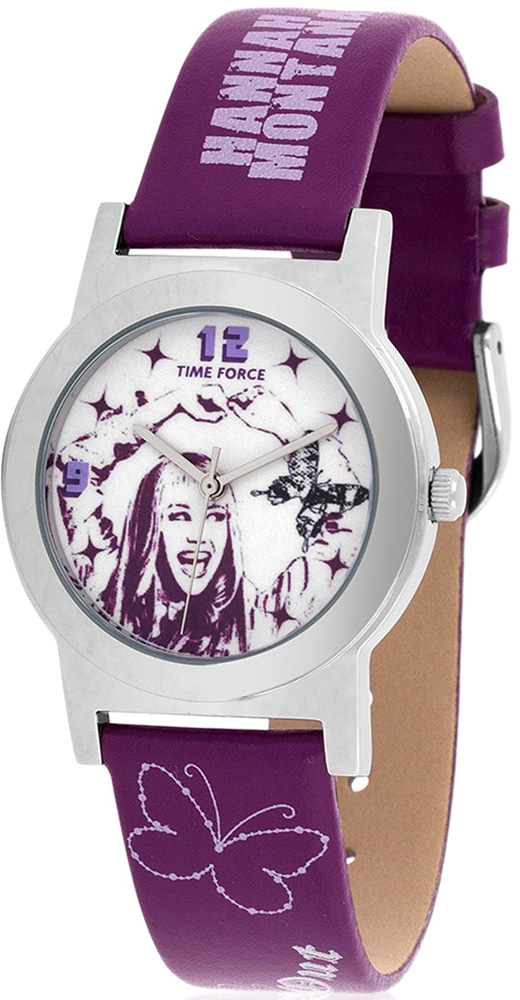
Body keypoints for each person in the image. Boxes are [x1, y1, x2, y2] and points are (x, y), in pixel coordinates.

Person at [101, 455, 248, 657]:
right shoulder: (105, 606)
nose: (198, 536)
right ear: (150, 527)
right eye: (179, 516)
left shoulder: (258, 617)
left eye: (215, 516)